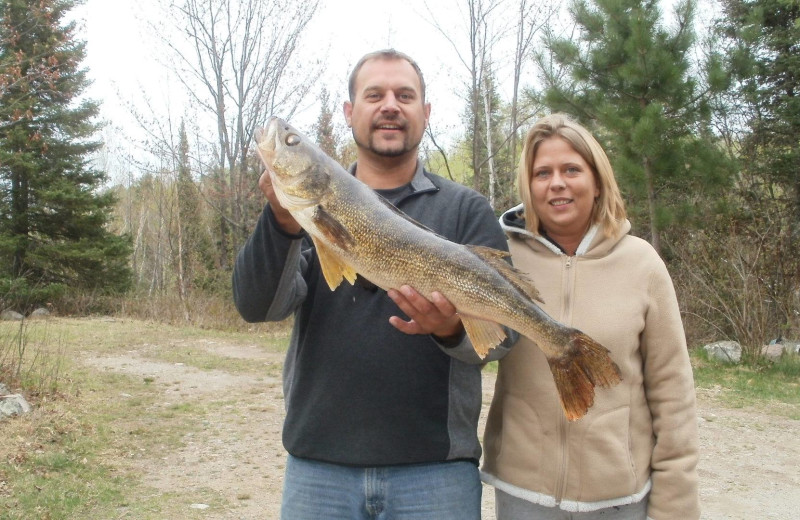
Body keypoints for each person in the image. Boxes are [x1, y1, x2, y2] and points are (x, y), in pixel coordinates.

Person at [233, 49, 513, 520]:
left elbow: (504, 338)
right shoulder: (305, 212)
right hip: (319, 468)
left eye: (405, 96)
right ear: (349, 113)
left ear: (425, 113)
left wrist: (451, 330)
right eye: (374, 95)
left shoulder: (466, 211)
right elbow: (258, 306)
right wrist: (281, 222)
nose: (390, 105)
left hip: (436, 473)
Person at [481, 113, 700, 519]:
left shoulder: (642, 264)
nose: (557, 182)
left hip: (619, 500)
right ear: (528, 187)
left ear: (597, 182)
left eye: (571, 170)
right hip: (524, 497)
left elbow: (673, 394)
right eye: (542, 172)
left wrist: (675, 506)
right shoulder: (500, 260)